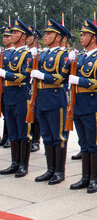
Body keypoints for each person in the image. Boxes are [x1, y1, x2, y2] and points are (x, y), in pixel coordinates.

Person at [66, 19, 97, 193]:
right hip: (78, 104)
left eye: (84, 35)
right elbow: (66, 76)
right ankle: (85, 177)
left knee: (94, 143)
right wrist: (68, 63)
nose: (81, 37)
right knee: (83, 143)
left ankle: (94, 179)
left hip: (91, 104)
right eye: (81, 34)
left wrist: (80, 80)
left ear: (93, 38)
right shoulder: (80, 57)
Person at [30, 19, 68, 185]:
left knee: (58, 136)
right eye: (45, 33)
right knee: (46, 136)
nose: (45, 36)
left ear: (58, 37)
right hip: (42, 99)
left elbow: (61, 78)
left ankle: (59, 171)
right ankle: (50, 169)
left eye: (49, 34)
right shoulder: (42, 54)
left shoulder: (63, 55)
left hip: (55, 99)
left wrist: (43, 76)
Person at [0, 19, 33, 177]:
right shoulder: (8, 53)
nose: (11, 35)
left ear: (22, 36)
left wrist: (5, 74)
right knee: (12, 130)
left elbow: (24, 77)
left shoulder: (27, 55)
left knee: (23, 131)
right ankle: (14, 163)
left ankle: (23, 165)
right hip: (8, 95)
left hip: (21, 96)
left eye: (15, 32)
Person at [26, 24, 43, 153]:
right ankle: (29, 137)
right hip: (27, 86)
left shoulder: (40, 52)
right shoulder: (24, 51)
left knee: (36, 115)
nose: (27, 37)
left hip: (37, 86)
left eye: (30, 35)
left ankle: (36, 140)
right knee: (28, 113)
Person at [0, 26, 14, 149]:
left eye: (7, 36)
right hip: (3, 87)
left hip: (10, 86)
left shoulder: (13, 53)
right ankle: (5, 136)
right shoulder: (3, 52)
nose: (5, 39)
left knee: (10, 114)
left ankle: (10, 137)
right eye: (4, 37)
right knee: (5, 113)